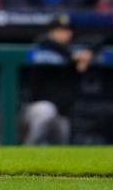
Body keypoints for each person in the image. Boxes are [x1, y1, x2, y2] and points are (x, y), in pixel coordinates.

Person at [23, 15, 94, 145]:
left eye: (67, 30)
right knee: (47, 111)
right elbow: (46, 42)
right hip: (36, 108)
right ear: (51, 32)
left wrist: (88, 53)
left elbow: (98, 40)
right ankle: (29, 148)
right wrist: (73, 57)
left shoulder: (73, 51)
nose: (65, 34)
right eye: (60, 31)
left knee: (62, 144)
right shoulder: (43, 47)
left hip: (62, 113)